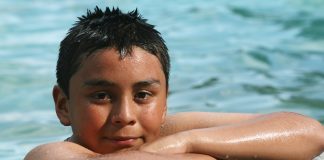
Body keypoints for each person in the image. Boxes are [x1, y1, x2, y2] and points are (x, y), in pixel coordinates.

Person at [24, 6, 324, 160]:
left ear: (164, 103)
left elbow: (309, 133)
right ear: (64, 105)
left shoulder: (173, 134)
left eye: (143, 95)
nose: (125, 115)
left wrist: (187, 141)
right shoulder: (52, 154)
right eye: (102, 96)